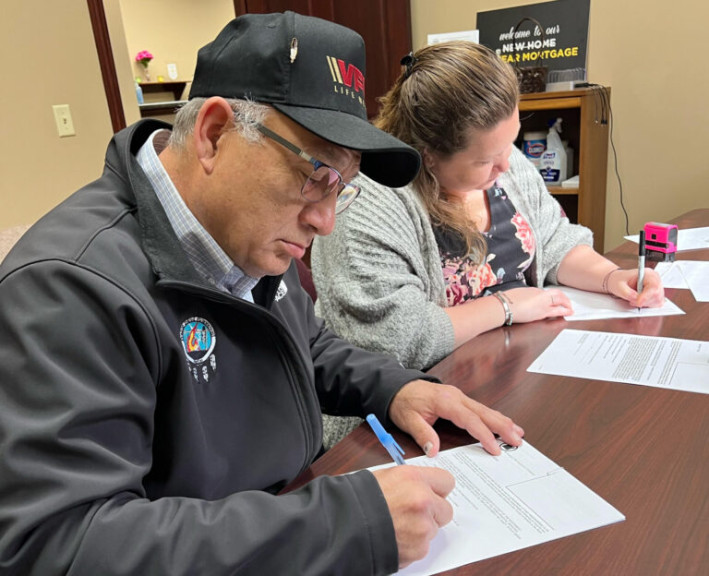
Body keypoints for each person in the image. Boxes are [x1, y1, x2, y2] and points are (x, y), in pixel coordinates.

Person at [0, 13, 526, 576]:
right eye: (314, 175)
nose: (326, 221)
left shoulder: (241, 233)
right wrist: (344, 525)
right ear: (214, 134)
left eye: (341, 187)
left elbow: (308, 346)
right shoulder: (70, 288)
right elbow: (58, 544)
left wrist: (398, 389)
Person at [311, 41, 664, 444]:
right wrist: (506, 306)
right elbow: (400, 339)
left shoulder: (500, 161)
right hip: (396, 414)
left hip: (512, 374)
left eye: (508, 145)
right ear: (428, 155)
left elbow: (554, 237)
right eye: (485, 160)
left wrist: (610, 277)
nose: (506, 166)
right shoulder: (369, 200)